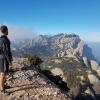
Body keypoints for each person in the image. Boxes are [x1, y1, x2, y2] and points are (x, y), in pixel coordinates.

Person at [0, 25, 13, 94]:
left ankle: (3, 86)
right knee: (3, 74)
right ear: (6, 31)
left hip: (1, 58)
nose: (8, 31)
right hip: (4, 59)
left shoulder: (1, 39)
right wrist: (9, 61)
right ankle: (2, 89)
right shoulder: (5, 40)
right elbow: (6, 51)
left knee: (3, 73)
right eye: (7, 30)